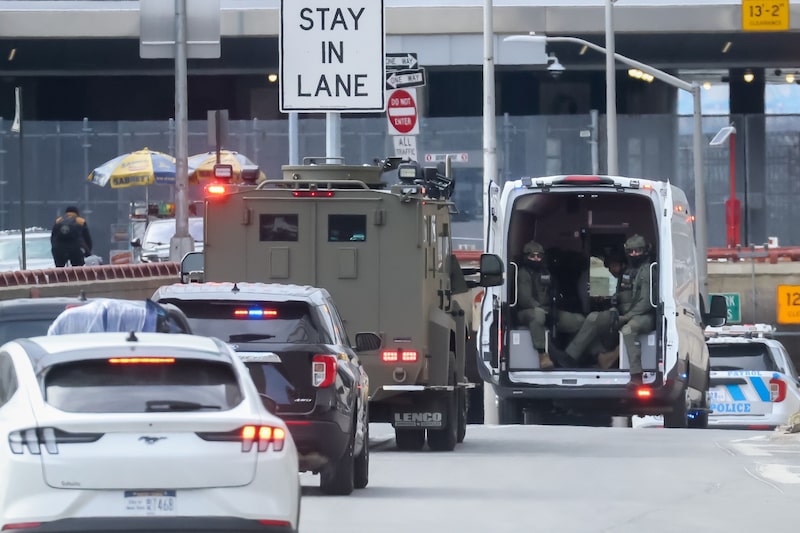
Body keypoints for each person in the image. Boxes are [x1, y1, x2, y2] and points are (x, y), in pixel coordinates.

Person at [550, 235, 656, 385]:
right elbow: (621, 295)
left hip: (643, 316)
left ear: (645, 251)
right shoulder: (628, 271)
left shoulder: (647, 271)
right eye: (631, 252)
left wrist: (625, 317)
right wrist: (613, 304)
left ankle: (636, 375)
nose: (634, 255)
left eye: (638, 251)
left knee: (628, 330)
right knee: (593, 317)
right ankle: (570, 357)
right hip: (624, 313)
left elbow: (645, 303)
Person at [516, 240, 585, 369]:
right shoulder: (523, 273)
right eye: (532, 256)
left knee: (579, 321)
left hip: (547, 310)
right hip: (527, 312)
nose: (536, 259)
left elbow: (553, 293)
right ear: (526, 257)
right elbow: (525, 300)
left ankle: (570, 355)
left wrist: (555, 308)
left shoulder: (546, 272)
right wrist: (542, 309)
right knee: (538, 315)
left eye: (539, 256)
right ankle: (543, 355)